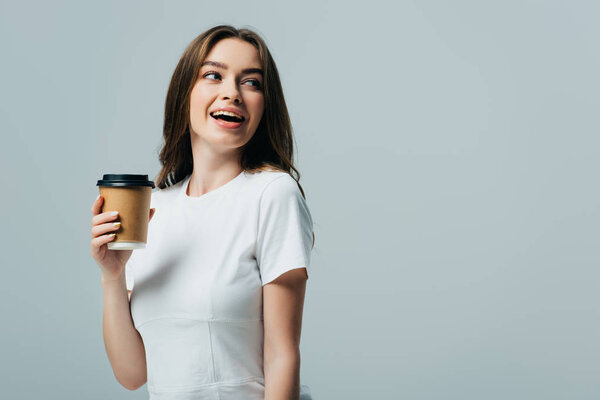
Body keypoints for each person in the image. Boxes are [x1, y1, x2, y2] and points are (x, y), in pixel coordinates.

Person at [90, 25, 315, 400]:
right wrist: (111, 276)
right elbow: (132, 374)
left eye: (252, 83)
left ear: (264, 104)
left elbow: (282, 356)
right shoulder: (154, 208)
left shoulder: (273, 195)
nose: (233, 93)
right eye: (214, 75)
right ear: (185, 94)